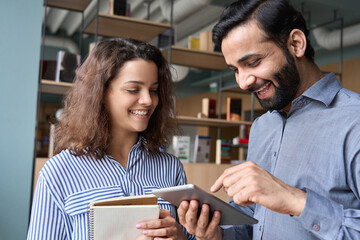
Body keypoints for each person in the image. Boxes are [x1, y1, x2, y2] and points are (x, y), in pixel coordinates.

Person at [177, 0, 360, 239]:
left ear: (296, 44)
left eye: (253, 63)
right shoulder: (263, 126)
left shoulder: (354, 120)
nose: (243, 82)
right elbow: (254, 217)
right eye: (235, 69)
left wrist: (294, 200)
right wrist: (216, 233)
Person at [27, 38, 195, 240]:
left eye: (153, 90)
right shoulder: (58, 173)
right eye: (133, 89)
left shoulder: (171, 169)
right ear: (101, 93)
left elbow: (191, 235)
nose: (148, 100)